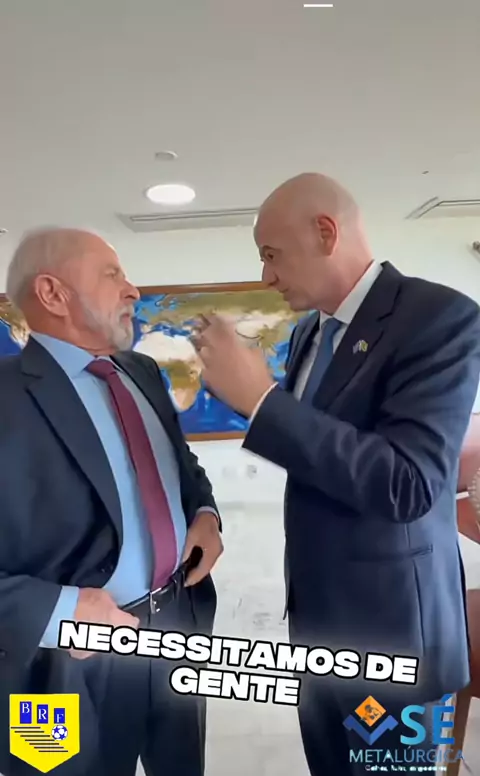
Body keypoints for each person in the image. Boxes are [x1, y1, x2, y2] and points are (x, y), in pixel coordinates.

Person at [192, 173, 480, 775]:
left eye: (272, 254)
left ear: (326, 232)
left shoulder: (440, 318)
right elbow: (322, 459)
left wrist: (262, 402)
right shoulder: (309, 332)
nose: (266, 275)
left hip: (398, 642)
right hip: (318, 631)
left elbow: (409, 484)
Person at [0, 227, 223, 776]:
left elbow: (181, 465)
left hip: (176, 628)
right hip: (59, 665)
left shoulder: (141, 372)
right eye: (111, 274)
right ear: (52, 294)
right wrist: (59, 612)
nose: (133, 290)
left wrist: (204, 514)